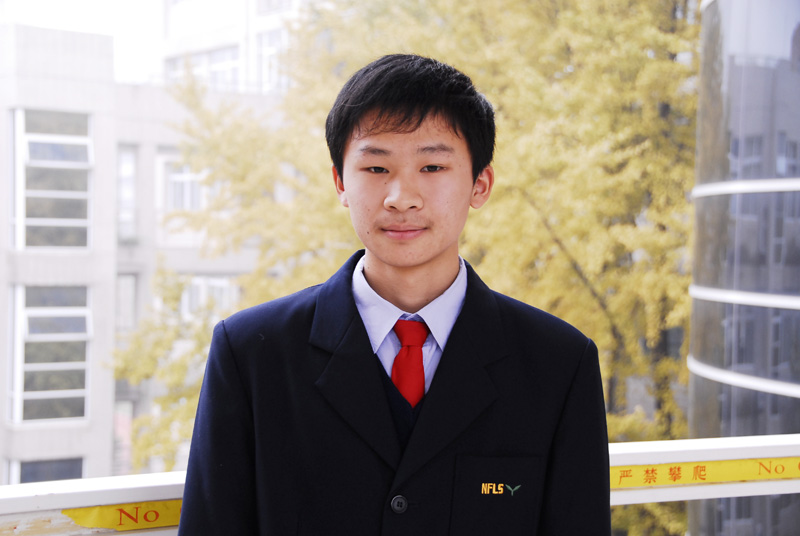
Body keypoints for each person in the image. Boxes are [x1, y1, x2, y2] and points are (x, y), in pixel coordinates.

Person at [178, 54, 610, 535]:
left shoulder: (558, 364)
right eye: (377, 167)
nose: (401, 197)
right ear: (341, 183)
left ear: (480, 184)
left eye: (432, 166)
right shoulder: (251, 355)